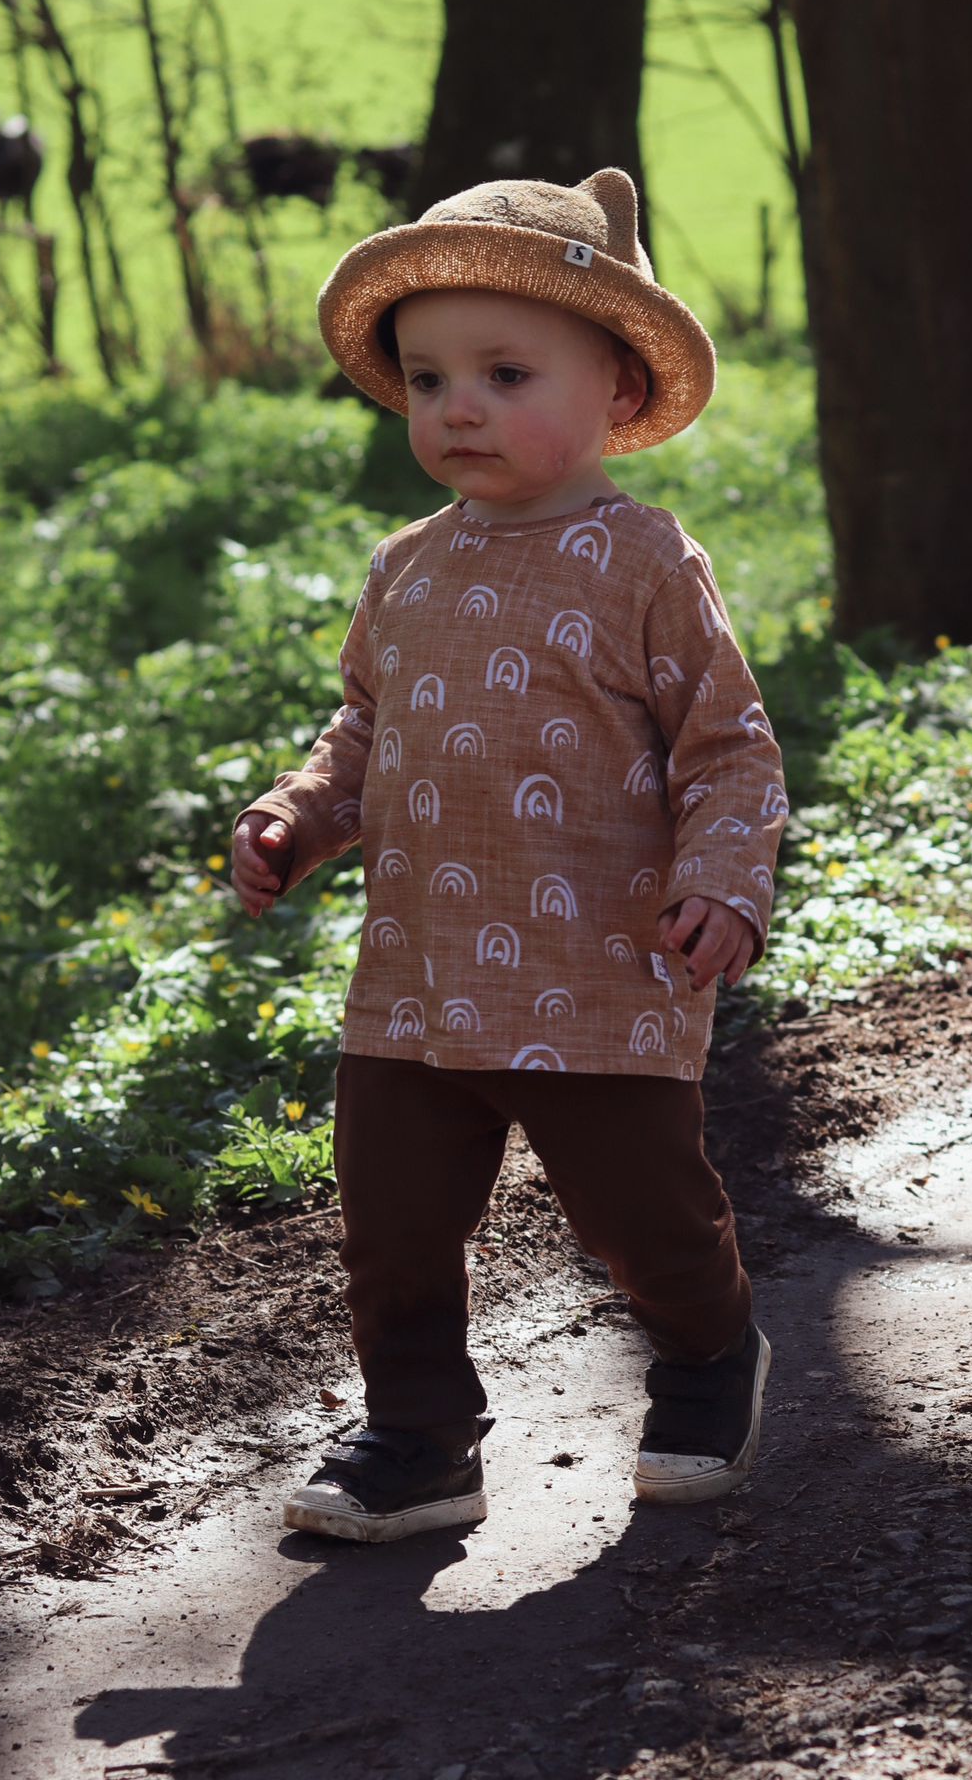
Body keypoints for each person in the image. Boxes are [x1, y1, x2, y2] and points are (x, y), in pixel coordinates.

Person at [229, 168, 789, 1544]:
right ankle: (418, 1438)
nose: (454, 407)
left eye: (500, 373)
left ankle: (712, 1357)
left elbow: (729, 748)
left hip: (599, 970)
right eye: (426, 380)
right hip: (415, 977)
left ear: (613, 392)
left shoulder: (644, 560)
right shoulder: (404, 566)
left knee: (640, 1217)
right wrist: (303, 815)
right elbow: (364, 727)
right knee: (393, 1226)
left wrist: (721, 881)